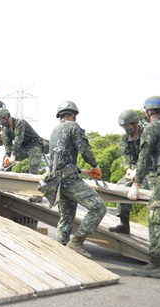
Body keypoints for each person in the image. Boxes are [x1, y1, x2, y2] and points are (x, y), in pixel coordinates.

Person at [46, 101, 107, 258]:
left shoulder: (55, 130)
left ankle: (60, 252)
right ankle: (77, 242)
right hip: (68, 180)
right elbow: (85, 150)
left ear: (60, 115)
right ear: (74, 115)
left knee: (66, 217)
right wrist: (95, 166)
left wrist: (80, 170)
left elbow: (60, 159)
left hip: (57, 181)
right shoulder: (74, 127)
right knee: (98, 207)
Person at [127, 96, 160, 278]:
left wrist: (136, 183)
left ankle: (154, 264)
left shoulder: (151, 128)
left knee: (156, 217)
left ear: (148, 111)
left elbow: (144, 156)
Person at [109, 110, 154, 234]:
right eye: (123, 126)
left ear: (135, 123)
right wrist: (128, 169)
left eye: (127, 125)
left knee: (155, 194)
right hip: (134, 169)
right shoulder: (125, 137)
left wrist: (137, 170)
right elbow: (126, 155)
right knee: (122, 187)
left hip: (152, 168)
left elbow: (150, 155)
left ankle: (156, 229)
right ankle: (124, 224)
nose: (126, 129)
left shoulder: (148, 132)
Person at [0, 107, 48, 202]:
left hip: (35, 144)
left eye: (1, 121)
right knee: (5, 161)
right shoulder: (5, 129)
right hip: (23, 147)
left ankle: (37, 194)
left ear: (6, 116)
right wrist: (8, 155)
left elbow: (18, 140)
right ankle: (5, 186)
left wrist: (13, 155)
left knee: (33, 167)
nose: (1, 123)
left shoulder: (20, 122)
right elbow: (8, 144)